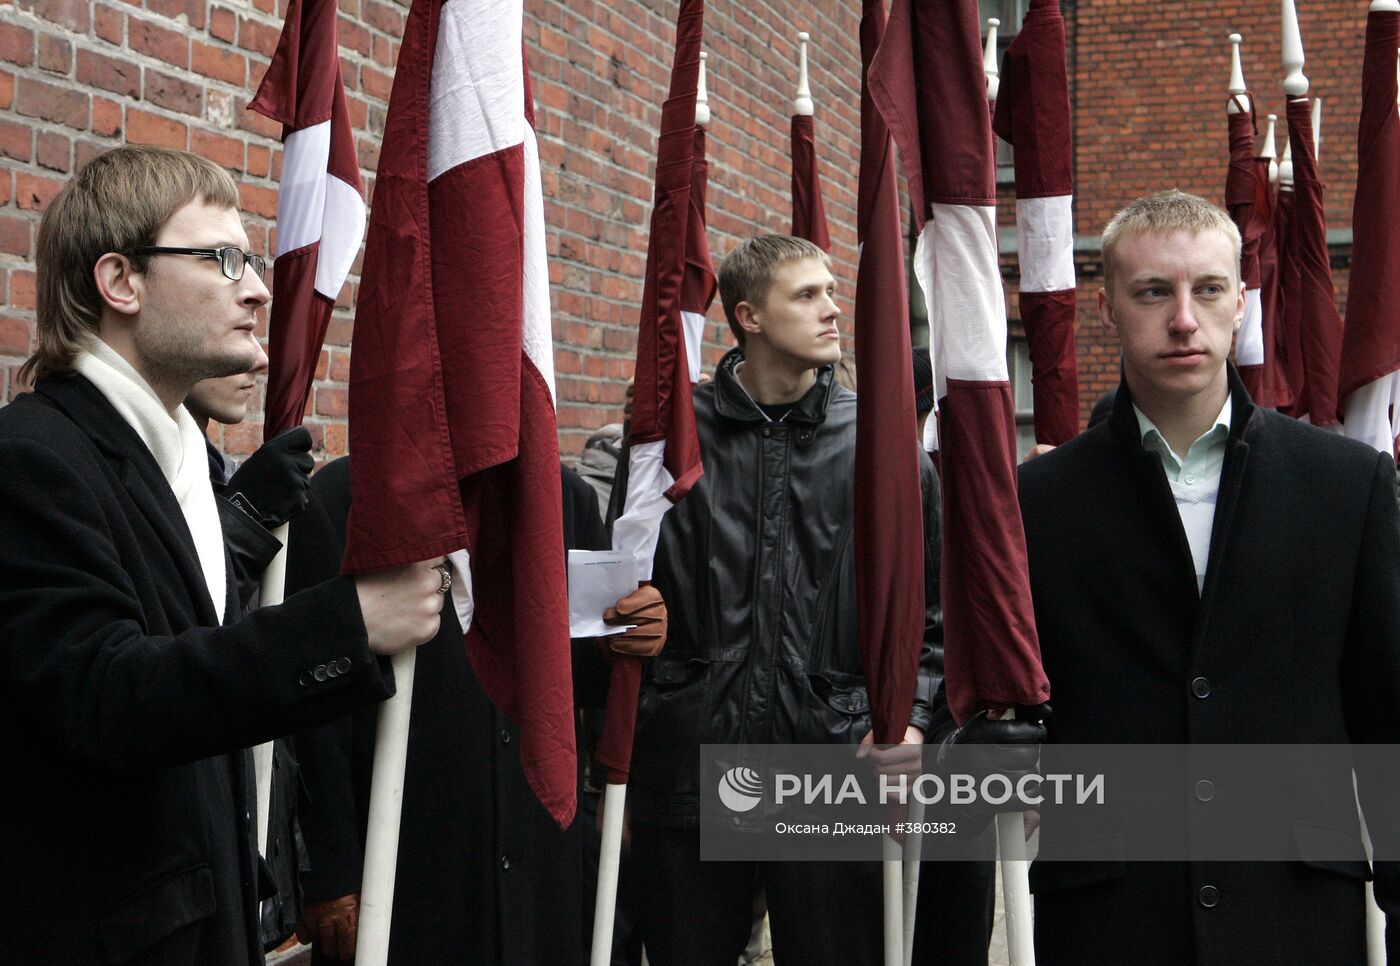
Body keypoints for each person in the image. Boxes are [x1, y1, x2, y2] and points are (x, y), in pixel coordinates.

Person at [0, 145, 444, 965]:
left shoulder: (181, 464)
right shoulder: (34, 458)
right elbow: (112, 695)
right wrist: (348, 623)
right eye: (224, 258)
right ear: (121, 282)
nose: (259, 289)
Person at [1018, 189, 1400, 963]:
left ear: (1239, 305)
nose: (1183, 318)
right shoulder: (1036, 502)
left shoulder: (1346, 484)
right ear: (1109, 310)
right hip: (1109, 918)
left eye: (1208, 289)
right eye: (1154, 292)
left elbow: (1388, 719)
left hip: (1295, 914)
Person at [627, 235, 943, 965]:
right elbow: (622, 594)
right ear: (749, 317)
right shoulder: (674, 437)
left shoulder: (881, 441)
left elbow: (934, 614)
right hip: (691, 769)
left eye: (832, 291)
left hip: (830, 766)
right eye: (808, 296)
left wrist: (916, 718)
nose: (834, 310)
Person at [185, 358, 317, 951]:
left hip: (251, 858)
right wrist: (242, 517)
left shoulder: (212, 472)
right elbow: (179, 640)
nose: (256, 361)